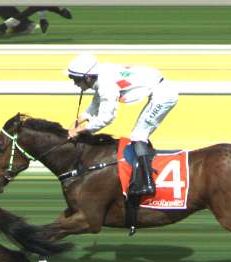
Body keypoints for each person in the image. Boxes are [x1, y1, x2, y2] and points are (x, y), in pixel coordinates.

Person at [64, 52, 175, 198]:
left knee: (138, 135)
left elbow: (107, 118)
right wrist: (79, 120)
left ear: (88, 77)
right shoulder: (99, 75)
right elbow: (97, 103)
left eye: (76, 79)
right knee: (138, 135)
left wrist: (80, 130)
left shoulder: (106, 85)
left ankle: (148, 184)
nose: (75, 83)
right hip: (157, 88)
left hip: (163, 95)